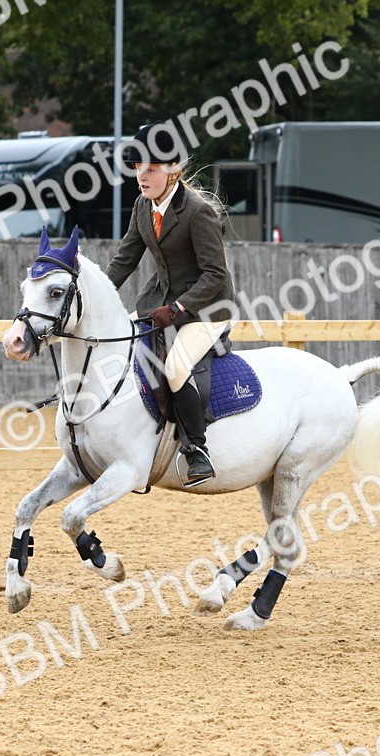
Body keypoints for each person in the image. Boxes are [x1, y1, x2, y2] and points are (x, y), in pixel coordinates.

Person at [105, 122, 236, 487]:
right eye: (137, 169)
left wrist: (178, 308)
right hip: (160, 301)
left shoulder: (197, 211)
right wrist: (95, 292)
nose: (141, 177)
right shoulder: (143, 206)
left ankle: (197, 450)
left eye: (150, 169)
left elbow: (215, 275)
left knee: (177, 367)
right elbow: (125, 259)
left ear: (173, 171)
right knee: (121, 339)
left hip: (208, 308)